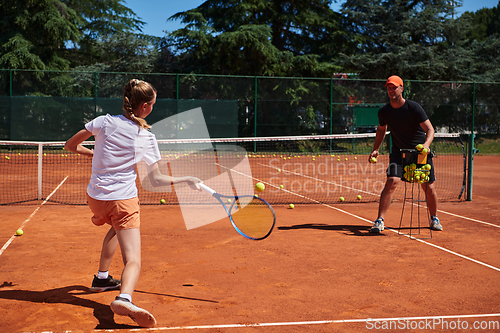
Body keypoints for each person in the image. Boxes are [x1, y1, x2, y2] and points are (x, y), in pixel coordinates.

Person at [65, 79, 202, 328]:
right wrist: (188, 179)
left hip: (95, 198)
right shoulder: (146, 137)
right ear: (146, 107)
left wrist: (94, 153)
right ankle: (124, 298)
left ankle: (102, 278)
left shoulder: (103, 122)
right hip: (122, 200)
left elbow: (70, 145)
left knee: (117, 228)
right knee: (134, 260)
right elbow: (156, 180)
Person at [368, 75, 442, 233]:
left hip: (419, 153)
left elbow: (430, 129)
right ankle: (379, 220)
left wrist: (426, 145)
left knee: (428, 186)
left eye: (394, 87)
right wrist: (376, 149)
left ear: (402, 88)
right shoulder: (384, 112)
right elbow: (381, 130)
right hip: (398, 153)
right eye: (388, 87)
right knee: (391, 181)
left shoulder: (414, 108)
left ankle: (434, 217)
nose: (391, 90)